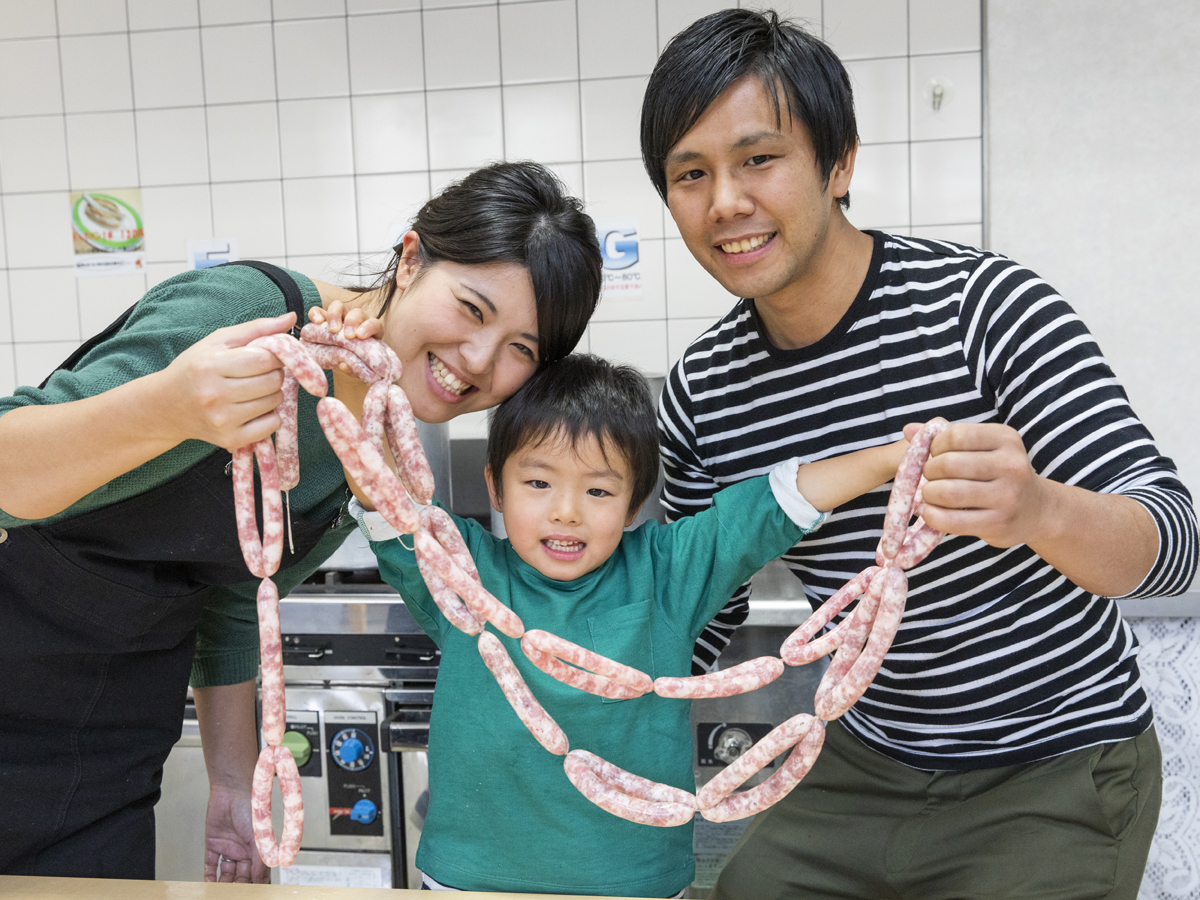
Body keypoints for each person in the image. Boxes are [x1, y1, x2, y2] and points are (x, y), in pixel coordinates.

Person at [640, 9, 1198, 899]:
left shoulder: (987, 309)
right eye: (690, 174)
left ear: (840, 163)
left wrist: (1039, 508)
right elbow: (696, 611)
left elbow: (1173, 545)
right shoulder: (705, 393)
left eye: (759, 159)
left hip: (1053, 763)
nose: (726, 203)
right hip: (868, 762)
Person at [0, 161, 602, 883]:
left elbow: (232, 600)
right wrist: (169, 407)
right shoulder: (248, 315)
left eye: (522, 350)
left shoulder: (363, 432)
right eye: (472, 309)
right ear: (413, 259)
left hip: (111, 743)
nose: (479, 360)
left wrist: (233, 784)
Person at [353, 353, 909, 896]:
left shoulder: (667, 572)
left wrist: (897, 457)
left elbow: (774, 504)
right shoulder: (463, 571)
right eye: (538, 483)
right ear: (496, 487)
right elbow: (381, 487)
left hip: (638, 883)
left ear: (634, 503)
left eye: (598, 490)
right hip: (468, 881)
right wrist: (350, 362)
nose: (566, 511)